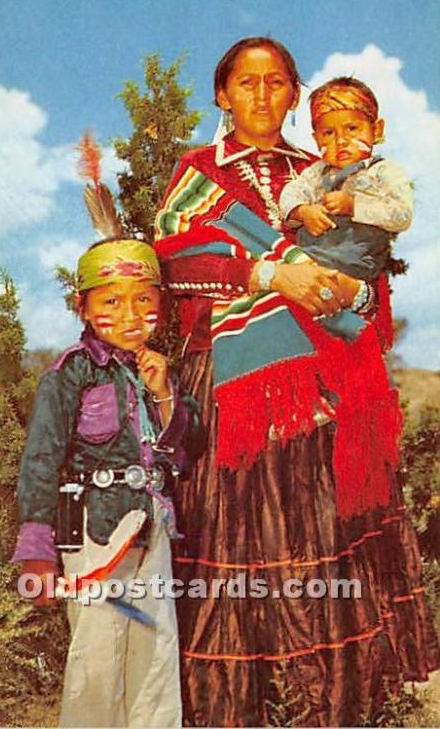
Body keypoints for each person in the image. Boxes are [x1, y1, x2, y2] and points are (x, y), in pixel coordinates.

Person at [153, 37, 439, 727]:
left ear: (292, 95)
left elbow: (372, 281)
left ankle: (332, 707)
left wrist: (352, 293)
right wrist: (267, 272)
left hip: (322, 384)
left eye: (276, 83)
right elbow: (172, 261)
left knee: (316, 534)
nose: (260, 95)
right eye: (245, 83)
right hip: (232, 388)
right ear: (221, 95)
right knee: (240, 538)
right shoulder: (197, 174)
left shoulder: (327, 172)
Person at [12, 238, 205, 729]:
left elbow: (191, 445)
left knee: (155, 650)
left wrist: (164, 395)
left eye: (144, 300)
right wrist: (37, 549)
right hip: (95, 533)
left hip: (154, 528)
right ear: (83, 306)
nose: (130, 314)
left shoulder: (156, 372)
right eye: (111, 301)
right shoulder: (69, 374)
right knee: (98, 655)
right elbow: (41, 459)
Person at [279, 76, 414, 284]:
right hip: (310, 256)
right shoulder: (316, 173)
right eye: (329, 133)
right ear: (316, 139)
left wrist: (353, 206)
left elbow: (402, 215)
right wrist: (302, 211)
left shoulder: (384, 171)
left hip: (357, 262)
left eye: (352, 129)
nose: (341, 141)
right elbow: (292, 192)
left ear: (376, 130)